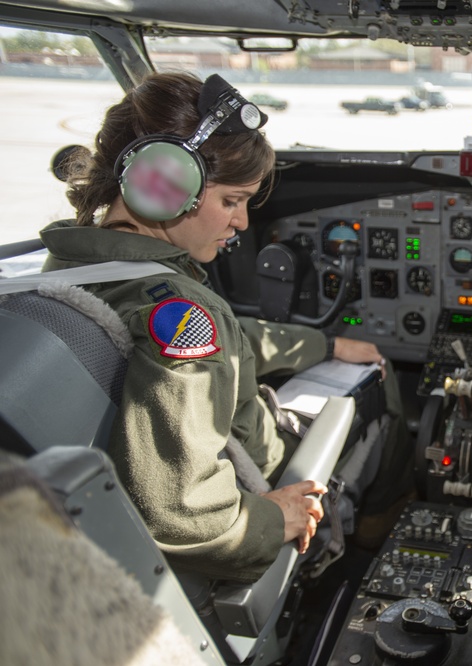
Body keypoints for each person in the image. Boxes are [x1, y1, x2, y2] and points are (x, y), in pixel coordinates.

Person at [41, 71, 411, 583]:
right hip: (259, 469)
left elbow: (230, 343)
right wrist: (273, 517)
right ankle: (371, 543)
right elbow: (182, 507)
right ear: (161, 184)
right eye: (232, 201)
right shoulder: (184, 311)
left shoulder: (68, 266)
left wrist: (326, 343)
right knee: (378, 386)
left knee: (343, 359)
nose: (241, 224)